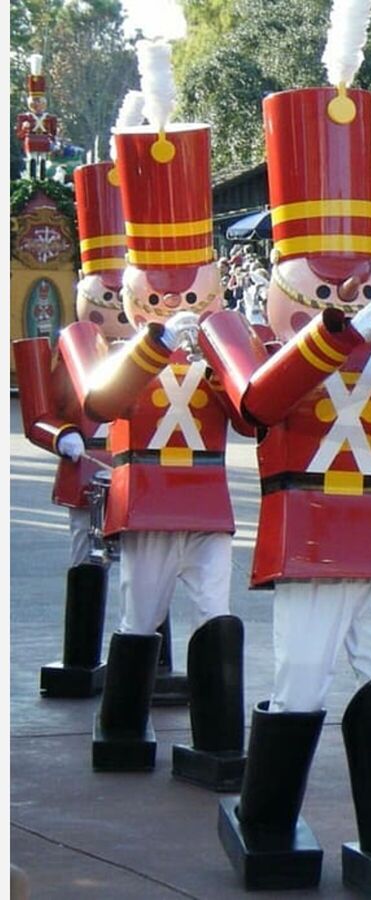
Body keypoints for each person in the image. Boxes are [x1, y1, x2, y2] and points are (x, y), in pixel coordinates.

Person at [205, 50, 371, 892]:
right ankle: (267, 818)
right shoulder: (251, 339)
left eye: (357, 288)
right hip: (308, 528)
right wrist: (342, 332)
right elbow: (254, 406)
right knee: (302, 676)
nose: (344, 300)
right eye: (326, 289)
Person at [58, 42, 251, 790]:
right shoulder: (100, 343)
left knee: (213, 613)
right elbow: (104, 400)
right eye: (160, 298)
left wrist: (224, 351)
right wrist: (155, 342)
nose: (177, 308)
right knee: (140, 613)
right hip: (144, 498)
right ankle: (121, 726)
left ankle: (218, 739)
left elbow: (249, 415)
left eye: (189, 296)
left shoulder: (219, 336)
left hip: (205, 493)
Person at [13, 144, 136, 699]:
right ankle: (82, 655)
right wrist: (61, 435)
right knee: (86, 560)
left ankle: (149, 664)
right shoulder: (62, 349)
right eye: (103, 298)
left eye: (120, 298)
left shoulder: (151, 352)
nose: (112, 310)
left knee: (145, 571)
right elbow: (38, 417)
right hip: (84, 469)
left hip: (138, 473)